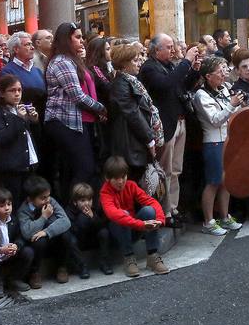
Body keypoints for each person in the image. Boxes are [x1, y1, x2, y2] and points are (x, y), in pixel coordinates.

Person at [140, 33, 200, 221]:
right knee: (165, 170)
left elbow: (181, 87)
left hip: (179, 122)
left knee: (176, 169)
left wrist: (194, 71)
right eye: (168, 46)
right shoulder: (149, 68)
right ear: (156, 50)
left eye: (173, 46)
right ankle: (163, 211)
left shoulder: (169, 66)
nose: (173, 50)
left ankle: (173, 208)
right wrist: (186, 62)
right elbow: (166, 85)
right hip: (166, 124)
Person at [44, 22, 106, 202]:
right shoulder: (61, 61)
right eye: (77, 37)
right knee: (83, 168)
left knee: (74, 168)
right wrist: (100, 107)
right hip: (65, 120)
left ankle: (75, 208)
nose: (82, 41)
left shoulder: (73, 60)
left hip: (80, 120)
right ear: (66, 39)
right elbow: (76, 95)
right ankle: (75, 208)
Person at [193, 55, 244, 235]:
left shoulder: (224, 89)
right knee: (213, 181)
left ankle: (225, 216)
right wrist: (231, 105)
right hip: (213, 141)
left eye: (224, 70)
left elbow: (233, 113)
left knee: (226, 182)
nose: (223, 75)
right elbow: (215, 120)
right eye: (219, 71)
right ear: (208, 76)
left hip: (228, 139)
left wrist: (237, 104)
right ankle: (208, 221)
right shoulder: (201, 94)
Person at [98, 156, 168, 277]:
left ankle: (152, 255)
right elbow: (114, 214)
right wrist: (142, 224)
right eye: (116, 178)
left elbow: (151, 202)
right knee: (122, 215)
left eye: (123, 177)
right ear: (107, 178)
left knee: (149, 211)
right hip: (117, 234)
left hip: (134, 228)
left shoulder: (131, 185)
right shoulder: (105, 192)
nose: (121, 181)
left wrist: (160, 220)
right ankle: (129, 258)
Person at [106, 40, 163, 185]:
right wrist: (149, 139)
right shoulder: (121, 84)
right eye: (135, 60)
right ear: (125, 63)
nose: (139, 63)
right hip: (130, 143)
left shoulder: (130, 81)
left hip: (135, 141)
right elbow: (133, 114)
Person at [17, 174, 84, 286]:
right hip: (38, 244)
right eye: (42, 198)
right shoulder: (23, 210)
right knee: (38, 241)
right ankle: (34, 272)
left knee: (66, 235)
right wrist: (44, 217)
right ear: (30, 199)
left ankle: (62, 267)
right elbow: (27, 232)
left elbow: (65, 221)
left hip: (53, 237)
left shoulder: (51, 201)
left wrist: (46, 232)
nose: (47, 200)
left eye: (48, 196)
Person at [0, 74, 39, 200]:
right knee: (14, 200)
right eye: (12, 90)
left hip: (28, 163)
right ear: (1, 93)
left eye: (19, 90)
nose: (17, 94)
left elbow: (28, 135)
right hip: (12, 167)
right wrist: (18, 119)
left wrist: (33, 119)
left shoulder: (21, 109)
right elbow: (1, 138)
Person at [0, 186, 34, 297]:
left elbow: (20, 237)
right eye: (2, 206)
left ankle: (14, 279)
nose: (7, 208)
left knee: (28, 252)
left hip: (11, 254)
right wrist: (0, 249)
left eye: (9, 204)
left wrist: (16, 246)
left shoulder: (14, 219)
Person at [69, 181, 113, 275]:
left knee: (104, 232)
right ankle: (82, 266)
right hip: (79, 241)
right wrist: (82, 218)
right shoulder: (70, 212)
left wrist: (93, 217)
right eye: (83, 200)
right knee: (70, 239)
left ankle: (104, 263)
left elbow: (101, 226)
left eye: (89, 200)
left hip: (92, 239)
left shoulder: (94, 209)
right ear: (75, 202)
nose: (87, 203)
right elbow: (73, 230)